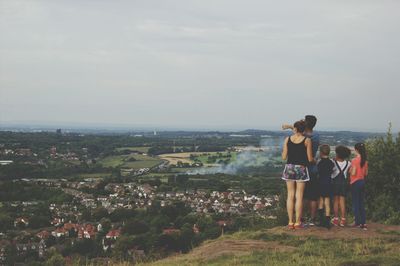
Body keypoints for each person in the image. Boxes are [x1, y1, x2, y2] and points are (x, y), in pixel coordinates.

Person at [282, 115, 319, 225]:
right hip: (301, 168)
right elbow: (309, 158)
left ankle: (290, 221)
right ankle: (298, 222)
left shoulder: (287, 139)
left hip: (289, 167)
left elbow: (284, 157)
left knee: (290, 196)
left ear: (295, 129)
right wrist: (315, 160)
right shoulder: (307, 140)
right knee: (299, 196)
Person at [331, 146, 352, 227]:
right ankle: (343, 220)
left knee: (335, 201)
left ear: (337, 154)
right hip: (343, 183)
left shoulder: (333, 162)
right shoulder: (348, 163)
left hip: (335, 183)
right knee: (342, 201)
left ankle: (336, 219)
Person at [350, 143, 368, 230]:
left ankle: (357, 222)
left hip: (355, 182)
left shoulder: (354, 160)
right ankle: (363, 222)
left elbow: (353, 173)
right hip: (362, 182)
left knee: (355, 203)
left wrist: (350, 171)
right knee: (361, 203)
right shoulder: (365, 160)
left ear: (356, 150)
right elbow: (365, 173)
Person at [317, 145, 334, 229]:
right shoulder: (331, 163)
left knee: (320, 201)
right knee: (327, 202)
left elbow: (318, 172)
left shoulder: (319, 163)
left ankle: (321, 221)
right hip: (329, 183)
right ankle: (327, 222)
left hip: (320, 183)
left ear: (320, 153)